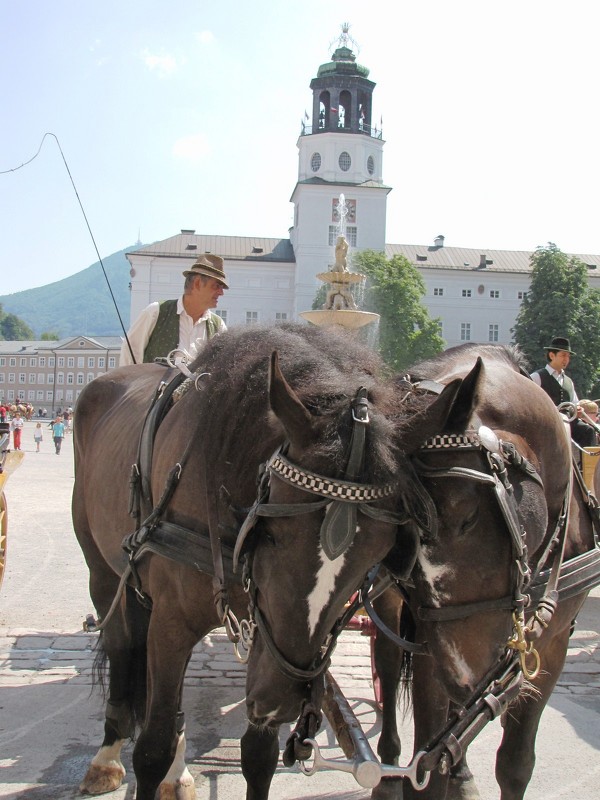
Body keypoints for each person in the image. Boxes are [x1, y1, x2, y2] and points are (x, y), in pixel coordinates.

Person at [120, 254, 229, 366]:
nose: (221, 292)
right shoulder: (156, 312)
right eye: (216, 286)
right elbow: (130, 354)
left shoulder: (218, 326)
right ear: (197, 283)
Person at [531, 336, 596, 447]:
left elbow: (575, 403)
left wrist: (578, 409)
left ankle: (587, 464)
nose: (566, 359)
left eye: (568, 356)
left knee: (588, 431)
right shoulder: (537, 377)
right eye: (563, 355)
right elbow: (530, 404)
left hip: (567, 421)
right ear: (552, 355)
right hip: (547, 422)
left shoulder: (568, 381)